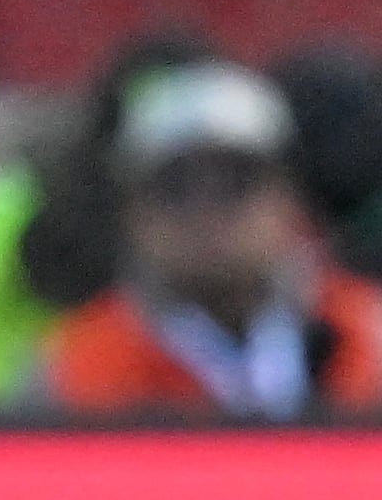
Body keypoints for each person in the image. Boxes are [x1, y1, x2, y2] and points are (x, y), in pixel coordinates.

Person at [37, 61, 382, 415]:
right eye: (175, 188)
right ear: (132, 213)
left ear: (288, 196)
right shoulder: (74, 367)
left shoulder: (368, 335)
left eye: (237, 183)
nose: (206, 213)